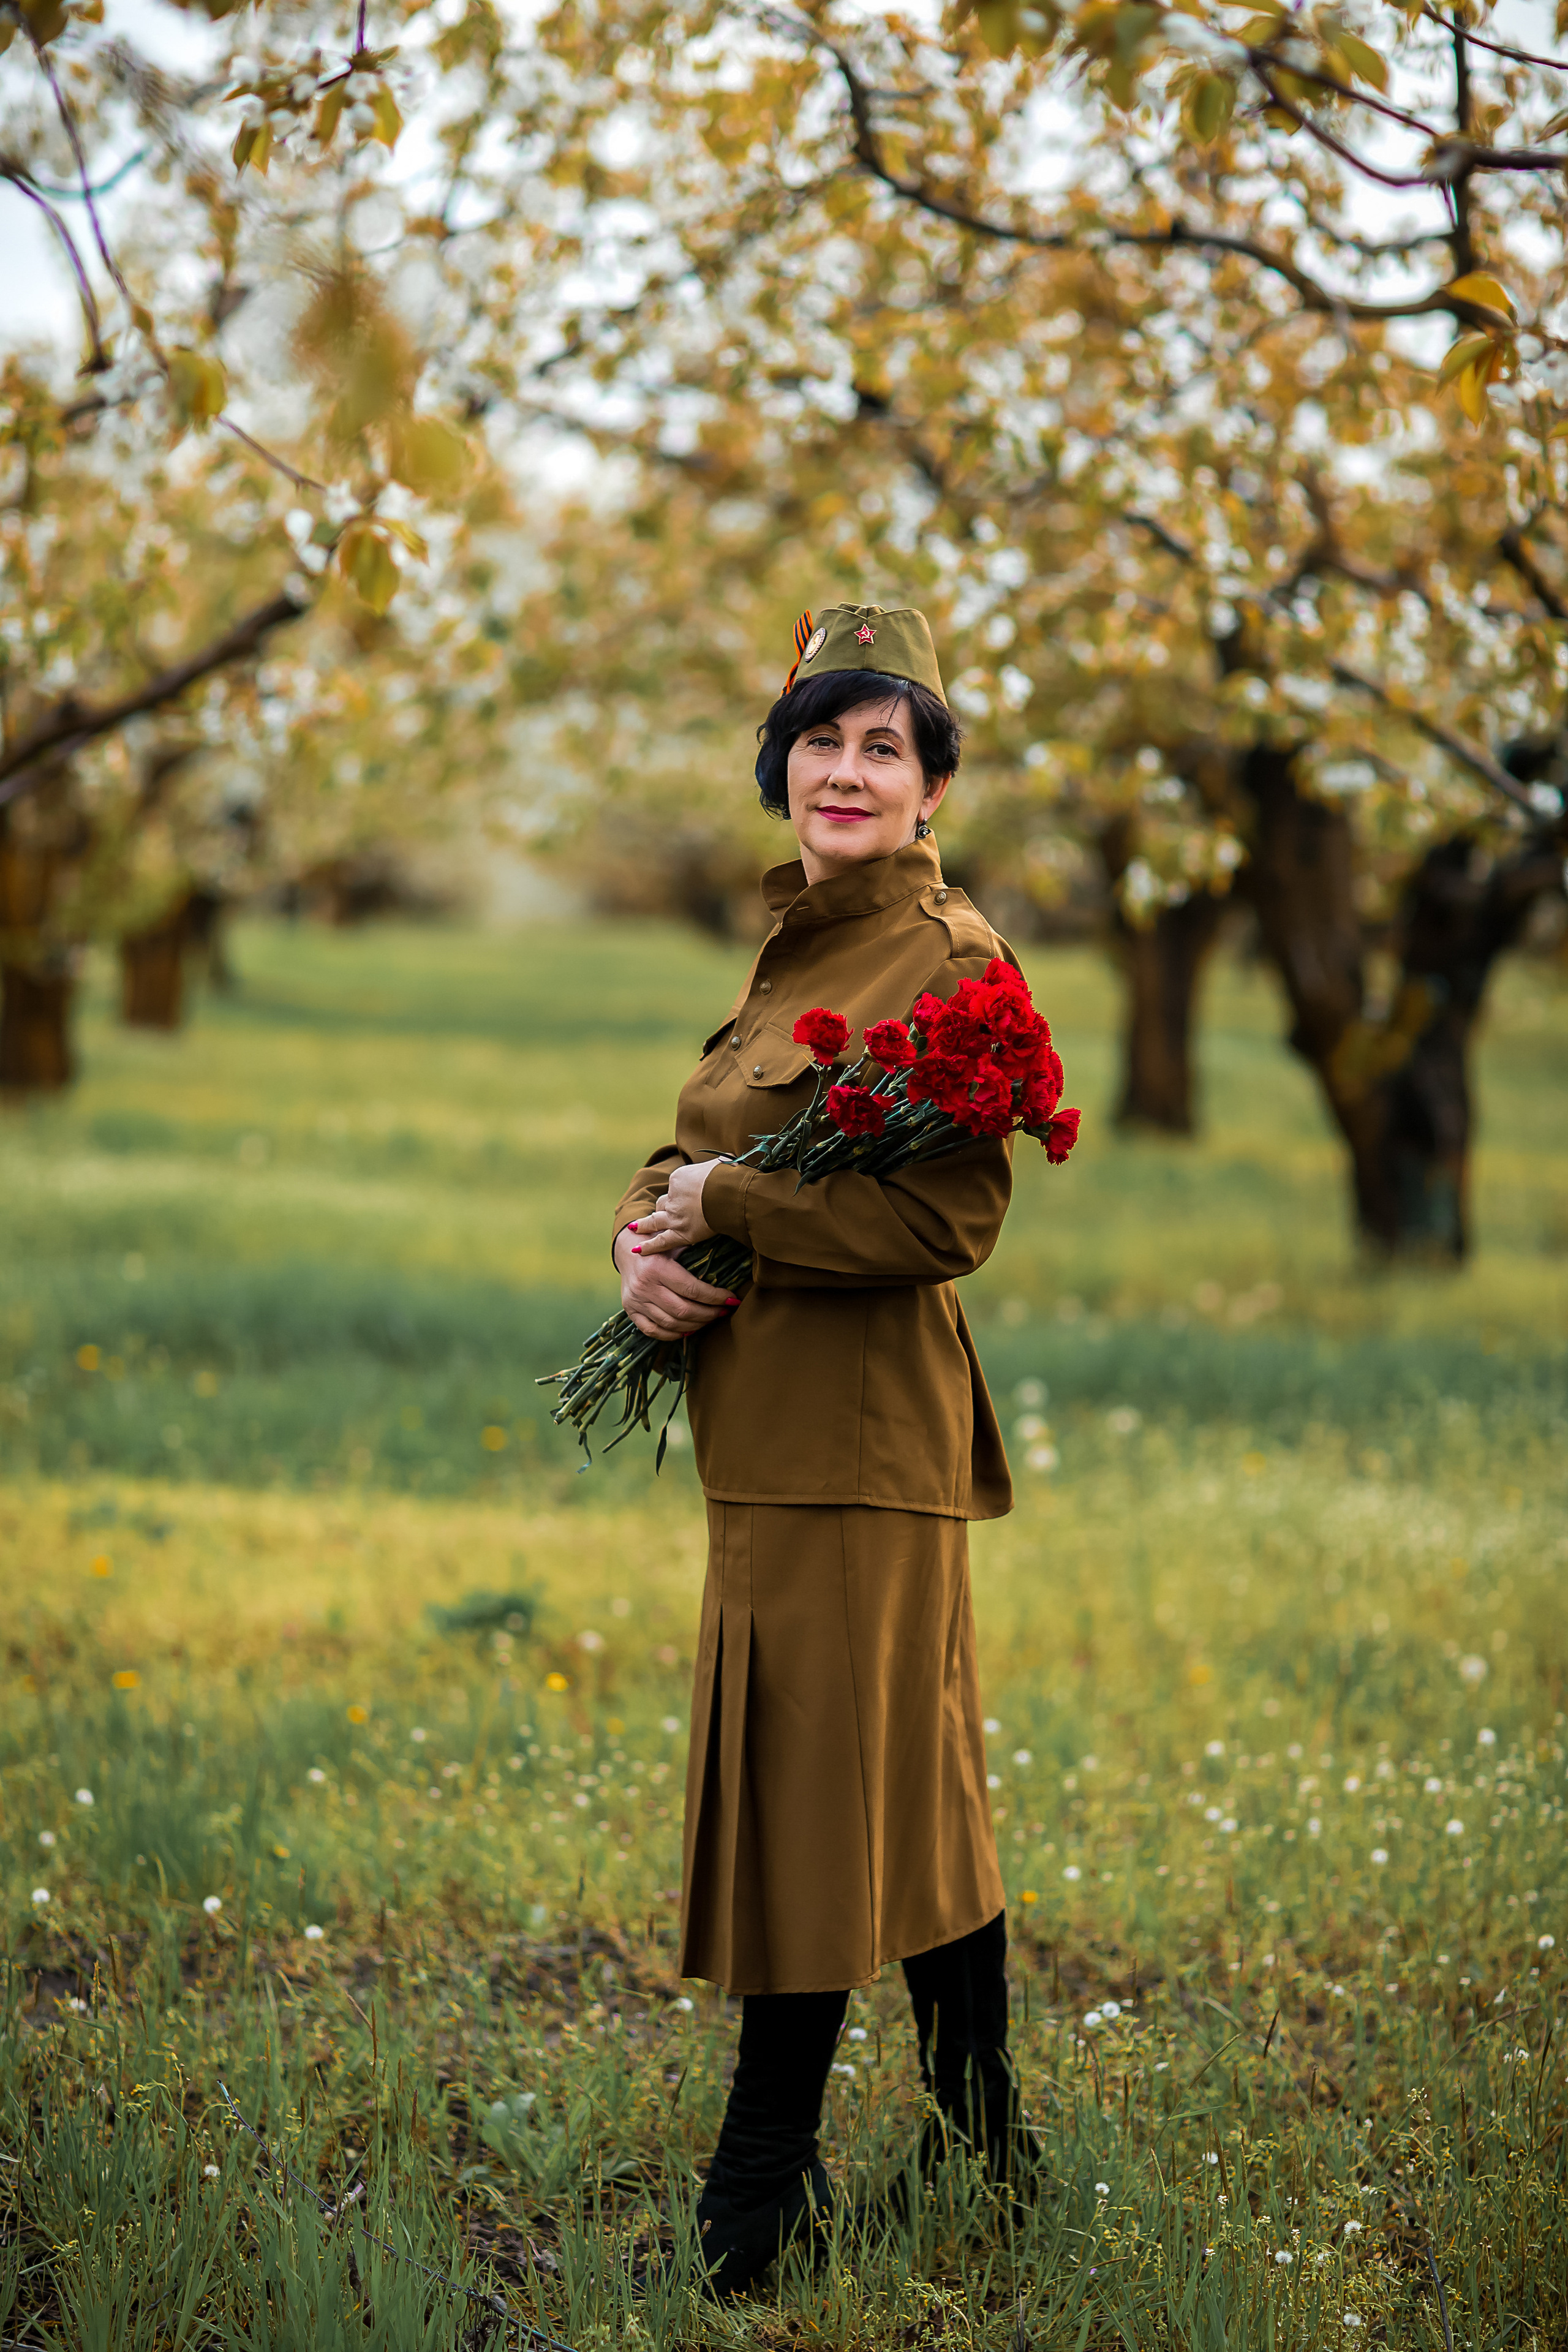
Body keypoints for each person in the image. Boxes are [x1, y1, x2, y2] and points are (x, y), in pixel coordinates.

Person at [611, 603, 1038, 2295]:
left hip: (858, 1443)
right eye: (820, 740)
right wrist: (642, 1242)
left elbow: (949, 1222)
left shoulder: (948, 962)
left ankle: (758, 2194)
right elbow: (698, 1145)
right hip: (771, 1430)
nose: (846, 772)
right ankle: (988, 2137)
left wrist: (735, 1207)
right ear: (779, 764)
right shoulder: (799, 941)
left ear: (933, 787)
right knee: (911, 1787)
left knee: (808, 1792)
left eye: (884, 747)